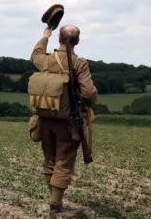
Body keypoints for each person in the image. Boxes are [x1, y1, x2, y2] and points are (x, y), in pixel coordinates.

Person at [30, 25, 98, 218]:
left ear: (58, 38)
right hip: (68, 124)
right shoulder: (79, 64)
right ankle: (56, 207)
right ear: (77, 41)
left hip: (44, 121)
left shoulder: (46, 60)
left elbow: (35, 55)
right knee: (63, 163)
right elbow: (89, 93)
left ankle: (54, 202)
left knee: (50, 160)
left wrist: (44, 37)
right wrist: (88, 103)